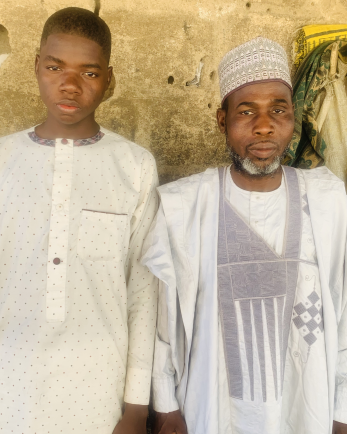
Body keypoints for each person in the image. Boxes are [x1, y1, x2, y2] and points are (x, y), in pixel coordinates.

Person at [142, 37, 347, 434]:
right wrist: (165, 408)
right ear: (222, 121)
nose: (264, 126)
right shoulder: (185, 206)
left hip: (307, 414)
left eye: (278, 110)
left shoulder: (328, 201)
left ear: (295, 118)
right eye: (246, 110)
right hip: (211, 411)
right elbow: (164, 324)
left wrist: (342, 412)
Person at [0, 7, 158, 434]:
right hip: (10, 385)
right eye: (54, 67)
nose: (69, 84)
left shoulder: (135, 166)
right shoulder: (3, 160)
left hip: (100, 393)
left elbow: (143, 292)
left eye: (89, 73)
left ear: (109, 79)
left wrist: (136, 406)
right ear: (36, 66)